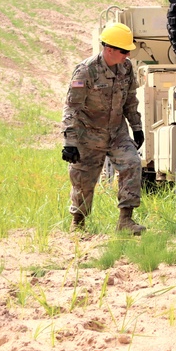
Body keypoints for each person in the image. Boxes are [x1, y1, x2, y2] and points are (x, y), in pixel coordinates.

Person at [61, 22, 146, 235]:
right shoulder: (86, 71)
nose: (127, 55)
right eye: (124, 51)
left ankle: (125, 221)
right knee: (84, 179)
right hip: (88, 134)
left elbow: (131, 101)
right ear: (109, 49)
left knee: (132, 164)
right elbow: (72, 108)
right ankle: (78, 224)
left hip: (117, 132)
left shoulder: (126, 69)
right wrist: (70, 142)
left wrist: (136, 127)